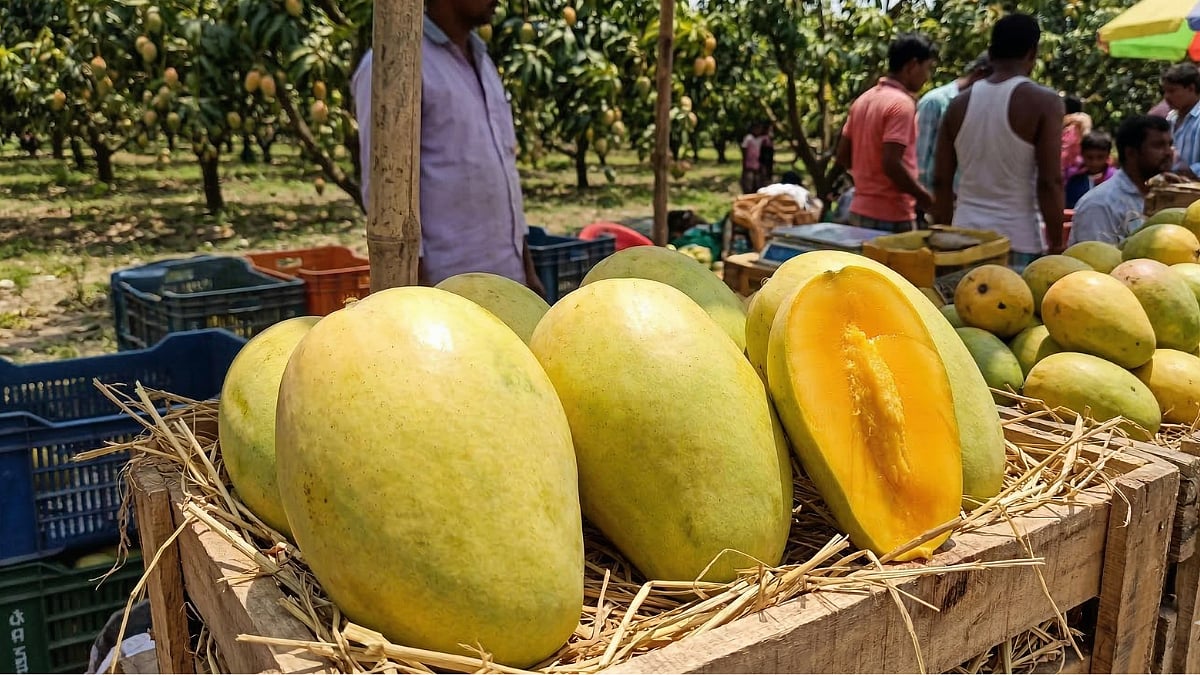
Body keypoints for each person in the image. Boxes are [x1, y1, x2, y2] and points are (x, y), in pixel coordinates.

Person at [351, 0, 543, 294]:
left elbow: (505, 174)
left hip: (507, 280)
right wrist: (421, 290)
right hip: (449, 290)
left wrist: (528, 272)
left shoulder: (482, 59)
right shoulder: (397, 64)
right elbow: (383, 191)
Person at [932, 13, 1065, 271]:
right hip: (1017, 239)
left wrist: (945, 237)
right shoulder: (1044, 102)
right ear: (1032, 53)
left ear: (990, 53)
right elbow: (1050, 182)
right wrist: (1058, 243)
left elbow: (941, 181)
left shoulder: (957, 104)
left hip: (963, 238)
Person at [835, 33, 938, 232]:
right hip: (891, 215)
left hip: (859, 210)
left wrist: (868, 180)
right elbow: (892, 163)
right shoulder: (901, 104)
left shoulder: (863, 100)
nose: (927, 77)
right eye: (927, 69)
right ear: (912, 66)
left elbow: (842, 155)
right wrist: (926, 198)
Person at [1069, 116, 1174, 245]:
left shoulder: (1170, 196)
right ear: (1131, 153)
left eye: (1170, 144)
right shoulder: (1099, 205)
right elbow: (1097, 261)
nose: (1169, 152)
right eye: (1158, 146)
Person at [916, 52, 991, 194]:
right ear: (980, 74)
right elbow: (919, 159)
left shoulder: (984, 106)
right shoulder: (936, 102)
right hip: (933, 200)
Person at [1163, 63, 1200, 178]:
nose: (1166, 97)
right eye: (1165, 91)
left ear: (1191, 89)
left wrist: (1188, 171)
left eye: (1172, 91)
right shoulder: (1171, 119)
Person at [1065, 131, 1116, 209]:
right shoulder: (1074, 181)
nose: (1095, 162)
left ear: (1108, 155)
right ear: (1082, 155)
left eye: (1100, 157)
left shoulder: (1116, 179)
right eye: (1089, 157)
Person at [1061, 95, 1092, 184]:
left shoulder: (1082, 119)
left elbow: (1086, 135)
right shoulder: (1066, 127)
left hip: (1076, 170)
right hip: (1065, 169)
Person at [741, 122, 766, 193]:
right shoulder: (748, 138)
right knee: (748, 183)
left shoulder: (761, 139)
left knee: (757, 183)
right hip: (749, 164)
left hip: (757, 164)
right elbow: (744, 149)